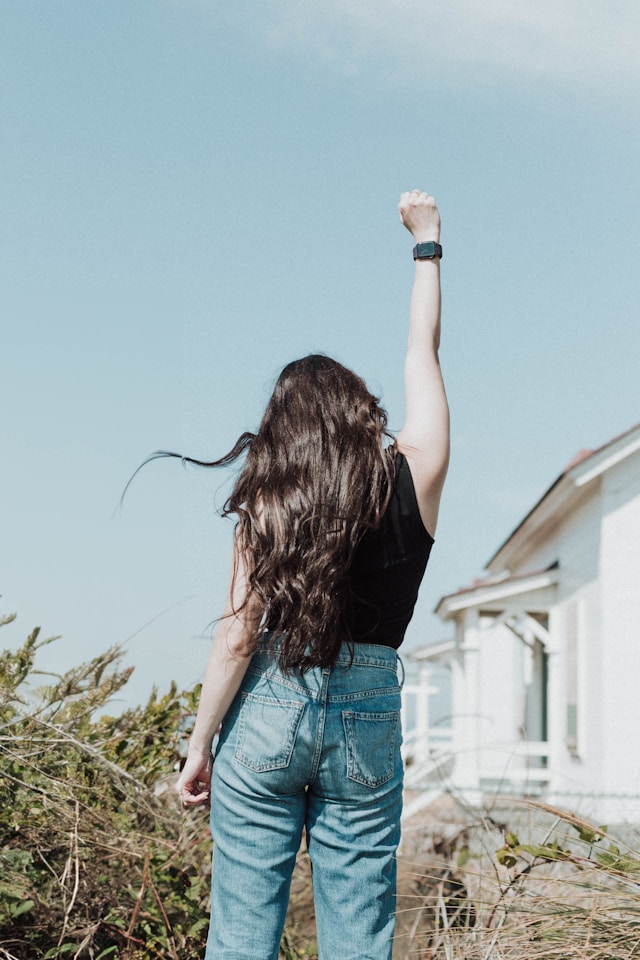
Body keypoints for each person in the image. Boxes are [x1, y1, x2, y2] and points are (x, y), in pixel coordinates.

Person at [177, 190, 449, 960]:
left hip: (267, 706)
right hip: (367, 714)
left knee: (238, 933)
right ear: (361, 411)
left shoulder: (268, 500)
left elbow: (236, 638)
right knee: (360, 938)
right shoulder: (417, 474)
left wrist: (200, 745)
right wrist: (426, 244)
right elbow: (421, 355)